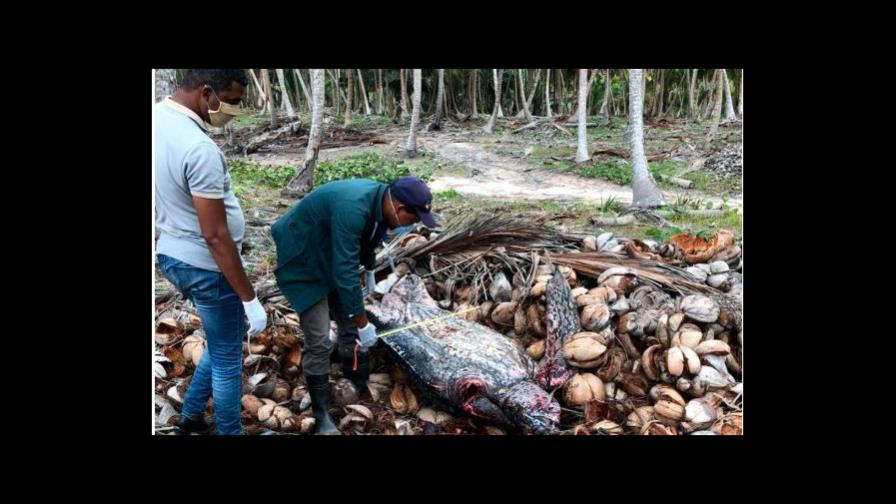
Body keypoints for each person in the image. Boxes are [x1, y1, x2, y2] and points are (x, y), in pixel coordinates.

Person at [271, 175, 436, 434]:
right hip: (302, 251)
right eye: (412, 220)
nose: (411, 226)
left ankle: (356, 382)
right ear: (399, 208)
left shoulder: (381, 202)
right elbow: (345, 271)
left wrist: (369, 269)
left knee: (349, 321)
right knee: (319, 338)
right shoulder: (354, 208)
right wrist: (363, 322)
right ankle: (321, 415)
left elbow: (369, 237)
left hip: (329, 248)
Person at [155, 69, 268, 435]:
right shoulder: (199, 148)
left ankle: (190, 419)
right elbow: (215, 234)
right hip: (205, 263)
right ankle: (229, 431)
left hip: (172, 253)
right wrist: (248, 296)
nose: (233, 110)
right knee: (226, 358)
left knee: (223, 341)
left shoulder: (158, 119)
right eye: (232, 101)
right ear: (206, 93)